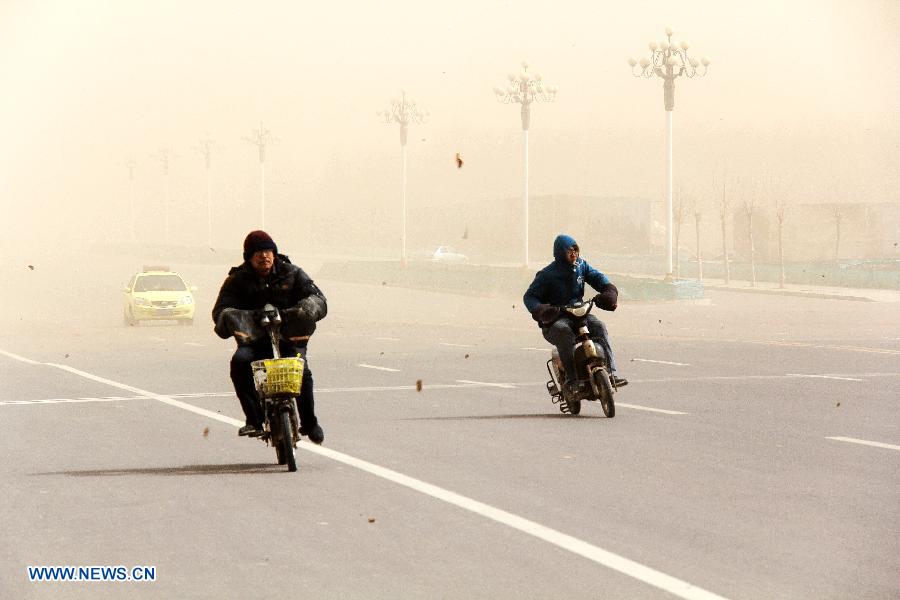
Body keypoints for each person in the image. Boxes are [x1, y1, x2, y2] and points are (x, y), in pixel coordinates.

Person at [212, 230, 326, 443]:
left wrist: (307, 309)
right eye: (258, 252)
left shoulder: (292, 273)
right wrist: (229, 318)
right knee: (239, 363)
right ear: (249, 257)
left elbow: (318, 298)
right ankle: (254, 420)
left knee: (302, 372)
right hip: (254, 341)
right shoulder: (237, 280)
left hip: (290, 338)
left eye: (267, 251)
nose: (264, 256)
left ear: (274, 253)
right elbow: (220, 311)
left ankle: (310, 423)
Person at [523, 234, 627, 399]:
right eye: (569, 251)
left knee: (599, 326)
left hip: (579, 313)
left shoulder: (581, 266)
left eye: (576, 250)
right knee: (564, 332)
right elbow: (529, 297)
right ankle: (572, 381)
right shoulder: (546, 274)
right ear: (560, 253)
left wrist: (609, 290)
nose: (574, 255)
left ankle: (611, 372)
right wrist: (541, 310)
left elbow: (599, 279)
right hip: (556, 318)